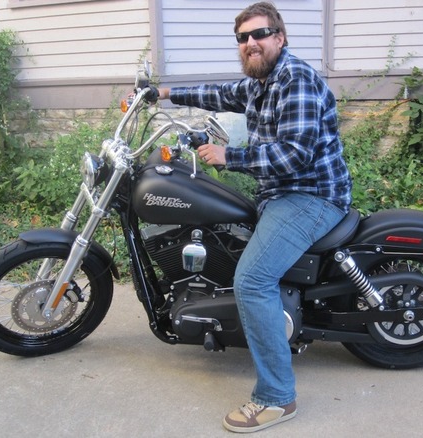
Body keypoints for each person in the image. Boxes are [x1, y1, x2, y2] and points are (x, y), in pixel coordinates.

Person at [156, 2, 352, 433]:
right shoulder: (262, 82)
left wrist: (230, 156)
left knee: (252, 280)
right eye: (243, 38)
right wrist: (163, 94)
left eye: (259, 34)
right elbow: (219, 94)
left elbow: (295, 155)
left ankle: (277, 398)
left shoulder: (296, 80)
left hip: (310, 197)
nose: (250, 43)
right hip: (280, 193)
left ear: (280, 37)